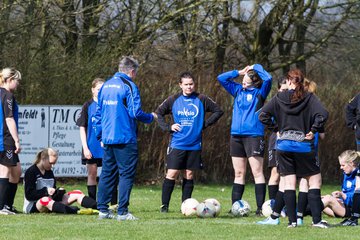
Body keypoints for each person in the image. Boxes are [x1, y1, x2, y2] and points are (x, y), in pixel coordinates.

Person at [259, 68, 329, 228]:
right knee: (314, 180)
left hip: (283, 146)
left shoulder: (279, 97)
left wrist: (276, 129)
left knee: (288, 183)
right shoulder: (309, 97)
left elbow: (262, 115)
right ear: (302, 81)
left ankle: (292, 222)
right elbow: (323, 114)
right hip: (303, 146)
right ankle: (316, 221)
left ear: (289, 81)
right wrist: (313, 130)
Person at [94, 56, 156, 221]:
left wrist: (100, 134)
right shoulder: (129, 86)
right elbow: (135, 112)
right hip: (125, 137)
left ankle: (103, 210)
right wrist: (150, 117)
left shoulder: (105, 86)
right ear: (132, 71)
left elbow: (98, 113)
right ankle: (122, 212)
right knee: (126, 174)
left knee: (107, 173)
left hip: (108, 138)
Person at [156, 72, 223, 213]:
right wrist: (169, 127)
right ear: (180, 85)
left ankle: (185, 206)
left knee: (189, 174)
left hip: (194, 144)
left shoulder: (201, 98)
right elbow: (158, 113)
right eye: (186, 84)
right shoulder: (173, 99)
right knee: (172, 174)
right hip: (177, 143)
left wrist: (205, 124)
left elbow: (218, 111)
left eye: (191, 84)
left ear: (194, 84)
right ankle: (164, 206)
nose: (189, 87)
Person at [217, 64, 272, 215]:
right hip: (236, 136)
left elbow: (269, 78)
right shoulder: (237, 90)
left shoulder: (260, 93)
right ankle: (236, 207)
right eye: (243, 79)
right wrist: (238, 72)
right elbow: (221, 78)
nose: (243, 82)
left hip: (253, 136)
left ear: (255, 81)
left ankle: (260, 208)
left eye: (246, 80)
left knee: (257, 172)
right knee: (239, 173)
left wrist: (257, 67)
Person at [76, 78, 118, 205]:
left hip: (107, 146)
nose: (101, 92)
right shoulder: (87, 106)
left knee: (111, 174)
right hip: (92, 146)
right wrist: (85, 148)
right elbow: (82, 127)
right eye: (99, 89)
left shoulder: (109, 104)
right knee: (92, 174)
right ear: (93, 90)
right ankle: (94, 203)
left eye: (103, 89)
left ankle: (113, 203)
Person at [23, 148, 97, 214]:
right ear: (43, 158)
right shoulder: (31, 172)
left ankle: (100, 207)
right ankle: (74, 211)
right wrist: (45, 191)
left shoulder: (49, 172)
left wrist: (58, 192)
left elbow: (53, 194)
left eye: (54, 164)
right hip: (34, 205)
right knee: (45, 200)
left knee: (77, 192)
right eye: (51, 163)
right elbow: (29, 195)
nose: (52, 166)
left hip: (51, 202)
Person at [0, 68, 22, 215]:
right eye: (17, 80)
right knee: (5, 170)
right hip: (6, 138)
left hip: (4, 138)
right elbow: (9, 118)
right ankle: (2, 207)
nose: (18, 83)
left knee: (16, 170)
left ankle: (8, 205)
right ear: (9, 79)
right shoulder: (8, 96)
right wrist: (16, 140)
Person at [337, 150, 360, 226]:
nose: (341, 168)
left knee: (328, 200)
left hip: (352, 209)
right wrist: (340, 197)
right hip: (345, 205)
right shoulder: (346, 175)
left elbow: (355, 198)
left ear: (351, 163)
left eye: (343, 165)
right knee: (323, 199)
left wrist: (343, 195)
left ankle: (354, 219)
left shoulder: (357, 176)